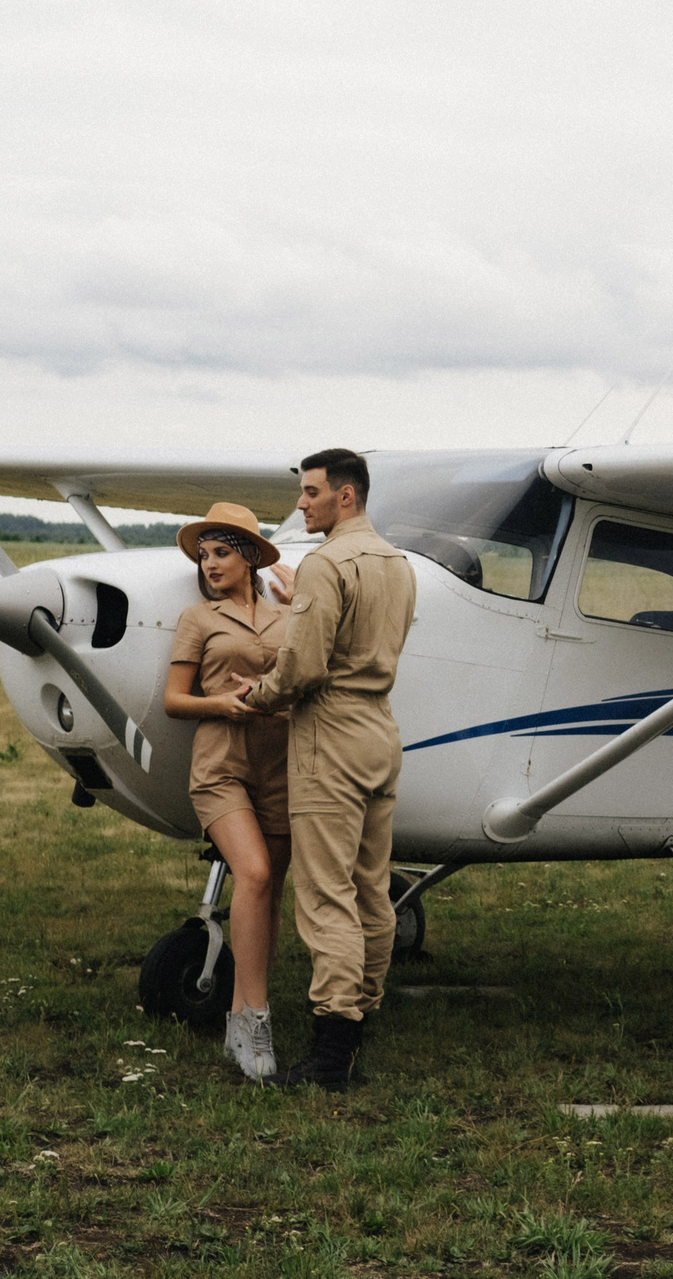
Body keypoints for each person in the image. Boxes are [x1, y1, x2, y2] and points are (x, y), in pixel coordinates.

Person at [227, 447, 416, 1090]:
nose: (300, 504)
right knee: (371, 887)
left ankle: (332, 1054)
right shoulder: (397, 563)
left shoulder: (326, 564)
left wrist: (253, 695)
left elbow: (303, 668)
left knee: (325, 894)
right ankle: (361, 1019)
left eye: (310, 493)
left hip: (329, 735)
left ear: (346, 496)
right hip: (380, 731)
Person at [162, 502, 294, 1082]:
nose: (210, 564)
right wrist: (221, 703)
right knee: (256, 874)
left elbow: (313, 678)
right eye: (204, 555)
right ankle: (256, 1017)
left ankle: (239, 1018)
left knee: (269, 892)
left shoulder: (288, 615)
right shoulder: (198, 618)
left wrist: (302, 606)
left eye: (221, 553)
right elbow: (174, 699)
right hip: (221, 763)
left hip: (282, 762)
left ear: (248, 558)